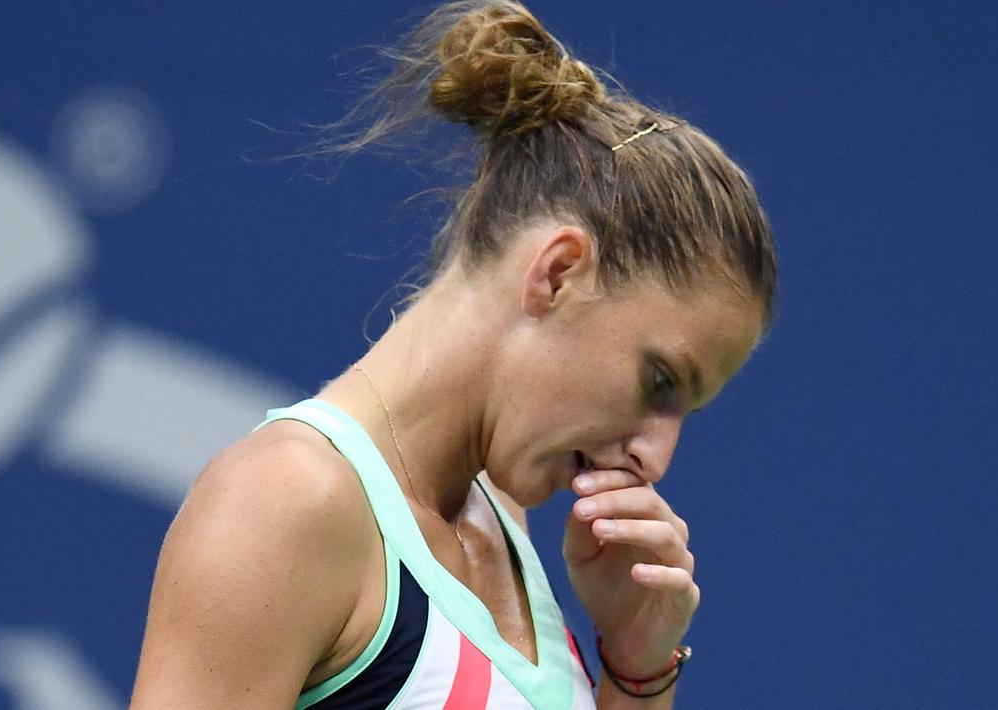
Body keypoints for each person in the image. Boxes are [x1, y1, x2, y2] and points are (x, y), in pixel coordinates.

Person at [128, 1, 776, 708]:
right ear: (556, 272)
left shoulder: (503, 518)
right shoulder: (280, 504)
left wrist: (636, 668)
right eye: (658, 381)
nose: (656, 458)